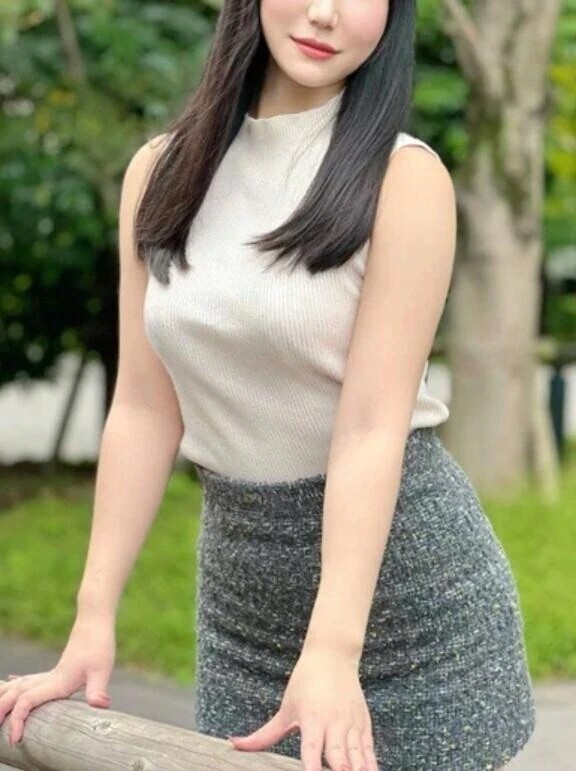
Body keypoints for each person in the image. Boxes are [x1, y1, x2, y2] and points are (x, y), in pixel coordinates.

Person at [0, 1, 536, 769]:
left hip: (410, 613)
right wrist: (92, 621)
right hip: (241, 604)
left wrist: (334, 652)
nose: (324, 13)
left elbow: (371, 428)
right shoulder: (160, 172)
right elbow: (144, 408)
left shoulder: (405, 180)